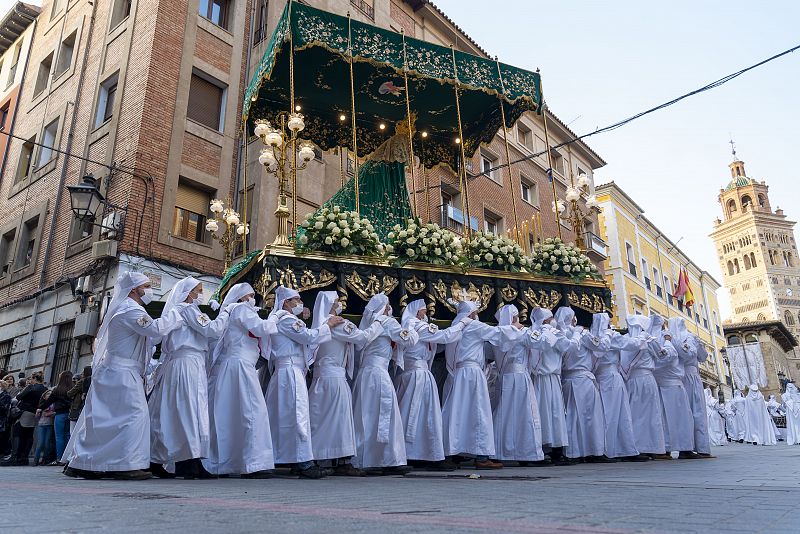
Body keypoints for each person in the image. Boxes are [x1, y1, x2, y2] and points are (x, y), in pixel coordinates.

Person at [62, 271, 181, 480]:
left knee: (107, 421)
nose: (149, 291)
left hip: (121, 372)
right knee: (135, 415)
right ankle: (124, 465)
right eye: (146, 287)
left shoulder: (129, 309)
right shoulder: (130, 310)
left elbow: (145, 341)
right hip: (121, 372)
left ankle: (87, 463)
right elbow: (154, 330)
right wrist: (175, 312)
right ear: (134, 289)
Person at [148, 277, 229, 479]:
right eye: (199, 290)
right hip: (185, 365)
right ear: (188, 293)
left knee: (187, 412)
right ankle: (185, 461)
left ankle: (190, 459)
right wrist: (226, 312)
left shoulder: (188, 311)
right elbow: (212, 330)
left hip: (189, 364)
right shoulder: (186, 309)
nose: (201, 294)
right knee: (187, 411)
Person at [266, 286, 342, 479]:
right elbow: (308, 336)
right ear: (286, 302)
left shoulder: (284, 319)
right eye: (297, 300)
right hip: (290, 372)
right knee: (298, 417)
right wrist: (329, 325)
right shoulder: (286, 319)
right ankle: (304, 463)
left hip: (286, 371)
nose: (300, 304)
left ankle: (293, 460)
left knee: (284, 418)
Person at [203, 283, 276, 478]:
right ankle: (253, 463)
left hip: (235, 366)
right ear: (242, 297)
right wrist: (275, 315)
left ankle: (227, 461)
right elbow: (261, 328)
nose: (253, 299)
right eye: (250, 296)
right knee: (252, 411)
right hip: (241, 366)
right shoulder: (241, 309)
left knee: (231, 415)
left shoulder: (234, 311)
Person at [308, 291, 381, 476]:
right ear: (331, 304)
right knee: (340, 420)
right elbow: (362, 338)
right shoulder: (338, 323)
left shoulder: (320, 323)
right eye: (337, 300)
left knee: (320, 419)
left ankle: (320, 457)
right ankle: (342, 460)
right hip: (334, 378)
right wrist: (379, 322)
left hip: (321, 378)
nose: (340, 303)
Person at [396, 299, 470, 470]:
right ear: (416, 313)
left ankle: (424, 453)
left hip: (420, 374)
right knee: (414, 415)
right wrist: (462, 324)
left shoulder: (417, 325)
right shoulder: (416, 325)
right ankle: (409, 453)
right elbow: (444, 336)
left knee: (424, 416)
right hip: (416, 375)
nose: (426, 315)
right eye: (423, 311)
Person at [442, 298, 513, 469]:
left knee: (457, 411)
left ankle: (451, 450)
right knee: (479, 412)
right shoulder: (473, 325)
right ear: (472, 313)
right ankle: (481, 456)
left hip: (460, 373)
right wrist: (516, 329)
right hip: (473, 374)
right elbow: (497, 333)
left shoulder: (457, 324)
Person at [351, 293, 418, 475]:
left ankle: (365, 458)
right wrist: (411, 325)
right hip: (379, 372)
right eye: (388, 305)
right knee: (386, 414)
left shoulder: (370, 322)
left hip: (366, 373)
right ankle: (389, 459)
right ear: (385, 307)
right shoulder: (386, 322)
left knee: (365, 415)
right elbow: (409, 340)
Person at [492, 304, 544, 465]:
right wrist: (532, 327)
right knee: (524, 412)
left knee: (504, 413)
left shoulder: (498, 334)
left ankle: (502, 450)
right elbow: (538, 341)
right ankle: (525, 452)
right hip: (520, 376)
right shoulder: (520, 333)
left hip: (505, 375)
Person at [555, 307, 607, 462]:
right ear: (573, 318)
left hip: (567, 380)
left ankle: (573, 451)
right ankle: (594, 450)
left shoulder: (559, 334)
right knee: (591, 416)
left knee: (571, 417)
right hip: (583, 379)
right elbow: (601, 346)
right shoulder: (582, 334)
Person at [527, 308, 573, 465]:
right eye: (551, 317)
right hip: (543, 377)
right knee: (546, 414)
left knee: (552, 414)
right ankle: (546, 449)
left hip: (549, 378)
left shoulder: (542, 332)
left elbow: (566, 346)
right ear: (546, 320)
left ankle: (555, 449)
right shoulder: (540, 332)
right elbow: (557, 345)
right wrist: (551, 330)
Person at [596, 314, 646, 461]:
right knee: (616, 414)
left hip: (601, 376)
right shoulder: (610, 335)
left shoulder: (595, 336)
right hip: (611, 376)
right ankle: (615, 449)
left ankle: (618, 448)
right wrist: (643, 337)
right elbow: (630, 344)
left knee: (609, 413)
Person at [621, 315, 668, 460]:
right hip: (646, 379)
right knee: (650, 414)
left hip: (630, 380)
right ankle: (650, 447)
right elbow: (662, 355)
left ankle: (636, 446)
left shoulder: (626, 339)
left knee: (634, 414)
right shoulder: (648, 338)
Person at [649, 315, 695, 458]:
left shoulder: (650, 339)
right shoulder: (667, 339)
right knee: (681, 418)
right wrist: (670, 341)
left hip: (660, 384)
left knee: (662, 419)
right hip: (672, 384)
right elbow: (671, 356)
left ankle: (665, 448)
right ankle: (684, 448)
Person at [669, 319, 712, 458]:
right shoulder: (684, 337)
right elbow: (693, 355)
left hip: (686, 376)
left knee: (692, 411)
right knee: (692, 411)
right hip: (685, 377)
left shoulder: (686, 337)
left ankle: (697, 446)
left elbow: (701, 356)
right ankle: (694, 447)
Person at [2, 371, 47, 466]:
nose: (30, 381)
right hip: (35, 414)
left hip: (25, 412)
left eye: (31, 379)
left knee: (17, 433)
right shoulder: (45, 389)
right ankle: (24, 458)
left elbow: (18, 397)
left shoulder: (31, 387)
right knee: (28, 436)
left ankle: (15, 457)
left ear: (34, 379)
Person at [46, 371, 73, 465]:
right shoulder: (73, 387)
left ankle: (59, 458)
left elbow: (49, 401)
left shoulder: (57, 389)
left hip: (60, 414)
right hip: (70, 414)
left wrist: (40, 408)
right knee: (67, 435)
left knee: (59, 436)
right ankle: (68, 458)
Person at [33, 390, 55, 466]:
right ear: (44, 396)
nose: (49, 395)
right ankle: (36, 459)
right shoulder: (41, 404)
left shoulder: (53, 404)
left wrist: (52, 413)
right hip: (41, 424)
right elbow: (36, 417)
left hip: (50, 424)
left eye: (50, 394)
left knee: (47, 443)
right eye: (47, 394)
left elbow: (55, 412)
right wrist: (38, 412)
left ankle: (44, 459)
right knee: (40, 442)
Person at [67, 367, 91, 434]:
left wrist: (76, 384)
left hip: (77, 407)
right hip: (85, 407)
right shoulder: (93, 380)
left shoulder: (82, 381)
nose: (81, 373)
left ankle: (73, 444)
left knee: (73, 430)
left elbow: (70, 393)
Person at [0, 379, 11, 457]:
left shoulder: (6, 395)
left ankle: (3, 453)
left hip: (2, 420)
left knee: (2, 437)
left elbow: (5, 408)